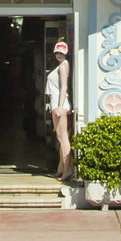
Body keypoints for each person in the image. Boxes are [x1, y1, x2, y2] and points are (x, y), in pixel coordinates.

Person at [45, 39, 73, 180]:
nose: (59, 55)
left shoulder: (63, 66)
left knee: (63, 138)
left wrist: (61, 106)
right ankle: (61, 168)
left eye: (61, 53)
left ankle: (67, 169)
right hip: (56, 103)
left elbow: (64, 87)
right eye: (57, 52)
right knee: (60, 137)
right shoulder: (60, 65)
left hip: (59, 104)